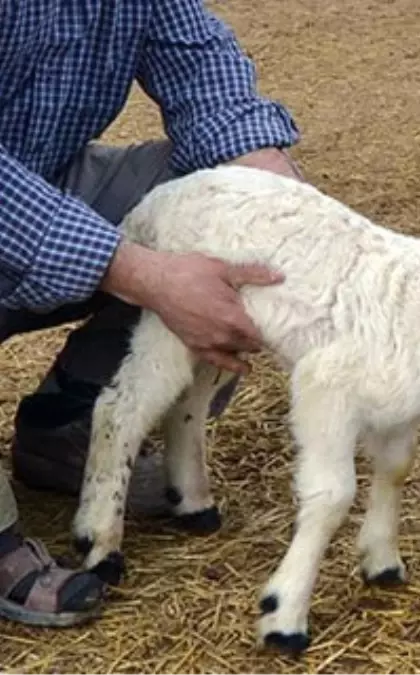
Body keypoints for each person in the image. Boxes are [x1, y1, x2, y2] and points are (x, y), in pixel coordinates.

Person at [1, 1, 304, 628]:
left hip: (42, 174)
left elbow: (201, 66)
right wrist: (142, 272)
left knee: (219, 198)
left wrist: (270, 194)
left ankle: (72, 429)